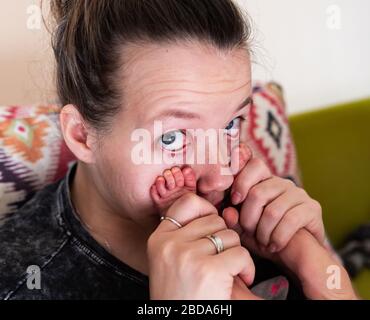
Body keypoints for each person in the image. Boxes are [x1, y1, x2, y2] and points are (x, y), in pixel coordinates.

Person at [0, 0, 357, 300]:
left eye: (231, 124)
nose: (221, 173)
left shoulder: (257, 215)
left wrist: (321, 269)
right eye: (172, 138)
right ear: (82, 135)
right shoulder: (23, 283)